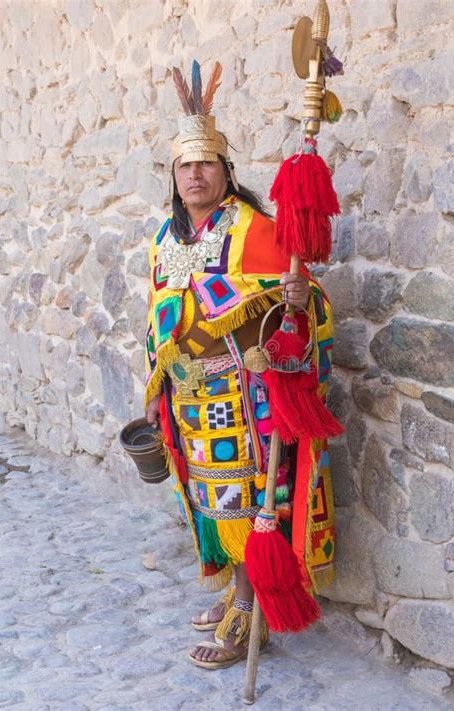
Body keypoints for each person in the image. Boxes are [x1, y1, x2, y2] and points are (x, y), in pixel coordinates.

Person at [144, 61, 336, 670]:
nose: (194, 173)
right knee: (212, 501)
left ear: (226, 172)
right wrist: (154, 385)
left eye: (205, 164)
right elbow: (159, 316)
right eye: (184, 164)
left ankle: (250, 612)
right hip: (189, 397)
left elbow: (303, 303)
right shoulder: (165, 239)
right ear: (173, 176)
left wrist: (300, 308)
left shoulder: (255, 228)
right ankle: (236, 585)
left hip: (247, 399)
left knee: (251, 502)